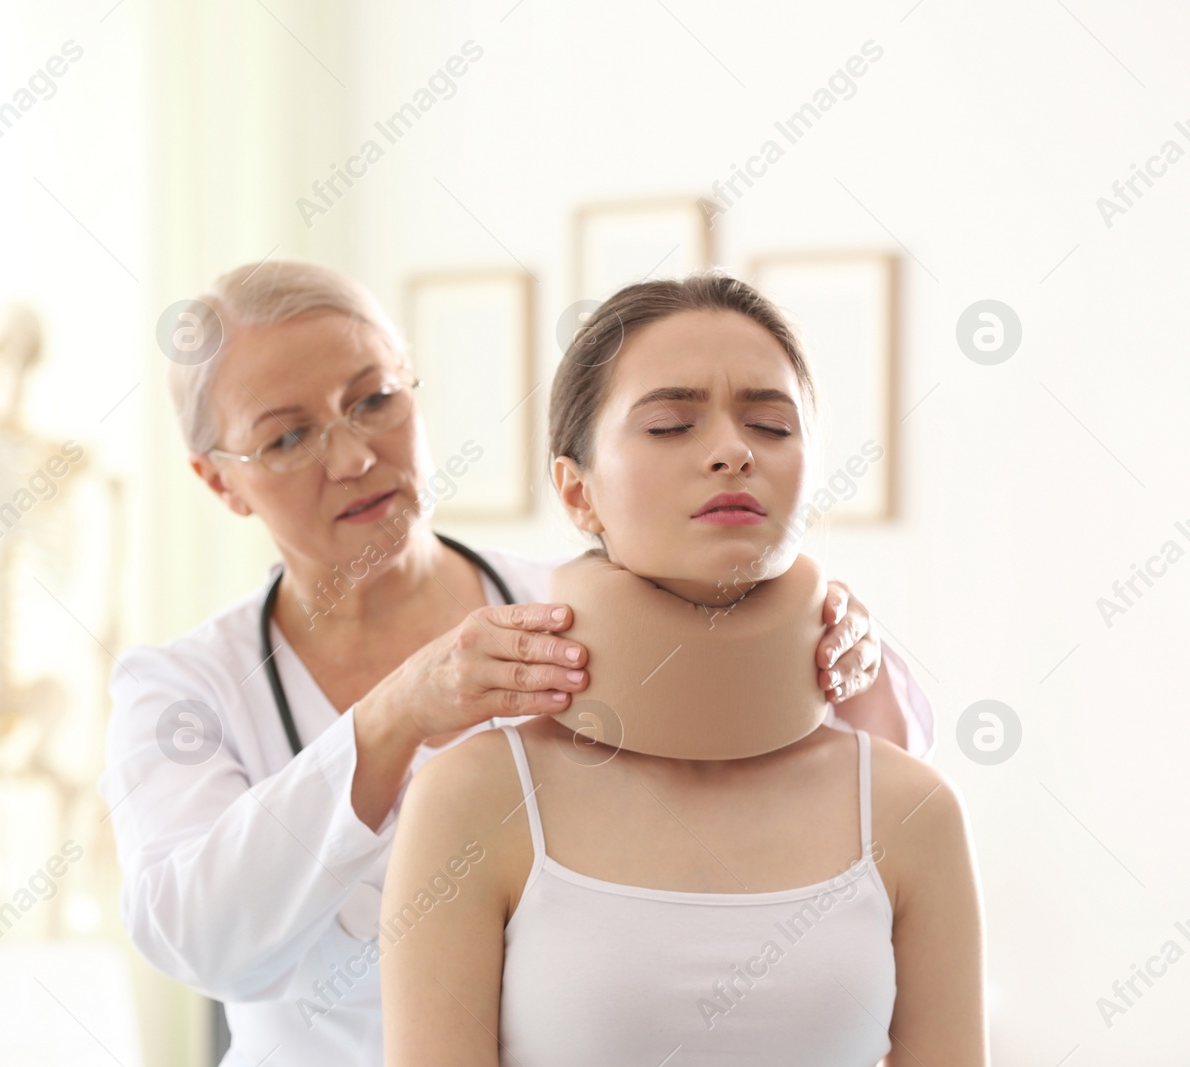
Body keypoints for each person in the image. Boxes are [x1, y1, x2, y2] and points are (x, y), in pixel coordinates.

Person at [97, 260, 938, 1067]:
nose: (354, 456)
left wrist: (844, 639)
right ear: (219, 483)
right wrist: (397, 715)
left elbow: (872, 786)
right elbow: (197, 936)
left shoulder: (588, 609)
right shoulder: (184, 689)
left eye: (376, 399)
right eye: (288, 436)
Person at [380, 273, 986, 1066]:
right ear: (578, 492)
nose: (733, 450)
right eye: (670, 424)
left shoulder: (913, 810)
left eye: (771, 424)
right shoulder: (471, 800)